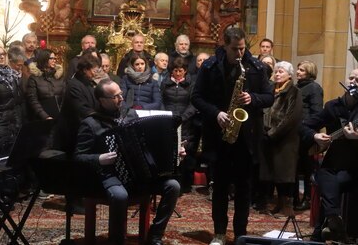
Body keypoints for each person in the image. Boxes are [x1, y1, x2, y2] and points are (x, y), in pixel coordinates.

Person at [74, 78, 183, 245]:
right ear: (102, 100)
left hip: (141, 173)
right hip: (109, 174)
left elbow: (151, 142)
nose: (121, 98)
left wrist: (175, 151)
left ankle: (155, 235)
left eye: (121, 94)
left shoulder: (130, 114)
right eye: (115, 97)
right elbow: (78, 156)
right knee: (120, 196)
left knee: (173, 186)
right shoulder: (90, 123)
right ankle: (116, 240)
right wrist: (98, 158)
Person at [191, 27, 274, 245]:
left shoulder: (256, 67)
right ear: (225, 45)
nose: (239, 53)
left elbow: (269, 97)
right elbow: (197, 97)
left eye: (243, 48)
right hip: (219, 134)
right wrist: (216, 113)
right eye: (235, 49)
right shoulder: (209, 67)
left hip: (246, 137)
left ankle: (240, 233)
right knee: (219, 187)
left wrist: (253, 98)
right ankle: (219, 232)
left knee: (244, 188)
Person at [303, 68, 358, 242]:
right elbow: (304, 126)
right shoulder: (332, 106)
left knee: (330, 181)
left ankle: (325, 228)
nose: (352, 82)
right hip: (333, 164)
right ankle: (333, 222)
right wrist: (315, 136)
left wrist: (357, 140)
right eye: (351, 78)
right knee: (325, 173)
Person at [259, 61, 302, 217]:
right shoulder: (270, 89)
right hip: (268, 136)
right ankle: (276, 204)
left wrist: (273, 133)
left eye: (281, 72)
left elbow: (291, 117)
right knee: (272, 172)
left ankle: (286, 206)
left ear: (289, 75)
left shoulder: (294, 91)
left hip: (285, 139)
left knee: (285, 173)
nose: (277, 74)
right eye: (276, 71)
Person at [161, 57, 197, 193]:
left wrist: (183, 117)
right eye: (175, 71)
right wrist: (166, 116)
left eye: (180, 71)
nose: (177, 73)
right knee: (169, 151)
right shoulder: (165, 83)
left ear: (185, 71)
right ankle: (169, 182)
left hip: (185, 123)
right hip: (168, 121)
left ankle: (183, 184)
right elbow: (161, 100)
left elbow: (193, 103)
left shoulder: (190, 84)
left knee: (183, 152)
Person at [293, 60, 323, 211]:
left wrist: (307, 128)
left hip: (307, 133)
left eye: (302, 70)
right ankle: (295, 198)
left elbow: (317, 112)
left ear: (309, 72)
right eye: (298, 69)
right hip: (294, 131)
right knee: (296, 165)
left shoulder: (314, 88)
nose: (298, 72)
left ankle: (308, 199)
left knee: (307, 167)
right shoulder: (297, 87)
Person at [26, 49, 65, 122]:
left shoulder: (58, 76)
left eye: (55, 58)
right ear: (44, 59)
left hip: (59, 116)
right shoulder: (34, 78)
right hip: (42, 118)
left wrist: (62, 113)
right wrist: (45, 116)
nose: (54, 60)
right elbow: (33, 100)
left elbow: (64, 96)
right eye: (51, 58)